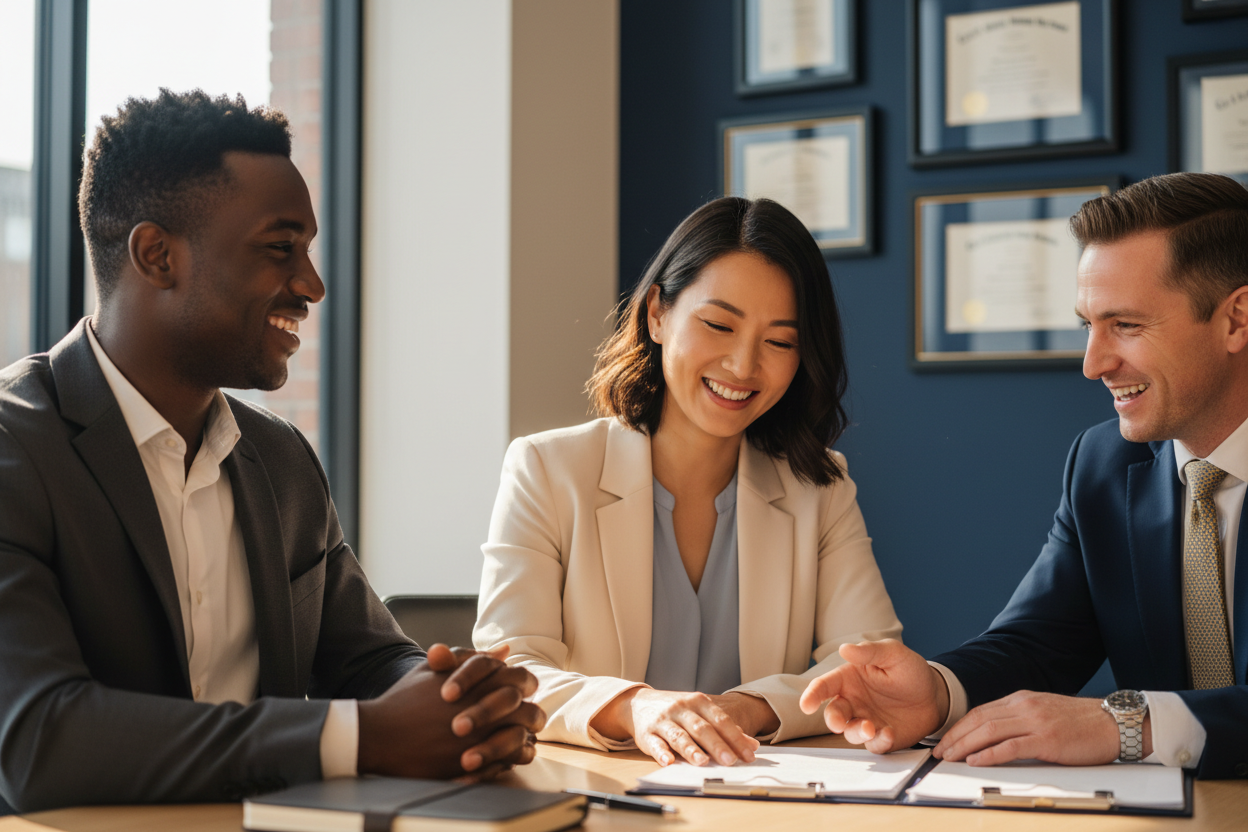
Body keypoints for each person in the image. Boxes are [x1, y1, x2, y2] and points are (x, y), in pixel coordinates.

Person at [0, 89, 544, 815]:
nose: (312, 284)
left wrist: (458, 701)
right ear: (157, 255)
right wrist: (359, 738)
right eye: (280, 249)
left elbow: (372, 657)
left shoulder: (280, 459)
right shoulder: (15, 447)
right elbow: (40, 741)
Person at [799, 172, 1248, 780]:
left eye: (1128, 326)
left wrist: (1127, 723)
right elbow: (1038, 642)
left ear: (1236, 320)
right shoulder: (1103, 464)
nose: (1094, 364)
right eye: (1088, 325)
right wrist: (937, 690)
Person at [474, 197, 901, 768]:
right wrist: (636, 708)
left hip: (757, 800)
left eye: (779, 341)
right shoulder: (548, 470)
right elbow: (513, 669)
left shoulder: (820, 488)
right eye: (718, 325)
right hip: (597, 796)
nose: (744, 366)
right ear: (656, 313)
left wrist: (738, 712)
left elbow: (870, 668)